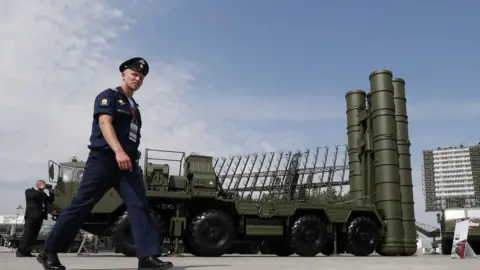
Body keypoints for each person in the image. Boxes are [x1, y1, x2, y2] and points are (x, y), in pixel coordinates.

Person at [36, 57, 173, 270]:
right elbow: (104, 122)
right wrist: (118, 151)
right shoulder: (108, 96)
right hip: (104, 160)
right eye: (134, 74)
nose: (138, 78)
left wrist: (127, 156)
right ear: (123, 74)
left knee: (139, 207)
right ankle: (49, 251)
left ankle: (147, 257)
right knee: (82, 205)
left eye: (141, 76)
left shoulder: (134, 108)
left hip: (128, 165)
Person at [17, 180, 54, 257]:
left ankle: (28, 251)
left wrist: (50, 191)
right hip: (31, 216)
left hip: (39, 216)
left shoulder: (43, 194)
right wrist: (39, 189)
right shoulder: (29, 191)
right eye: (42, 185)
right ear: (38, 184)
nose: (43, 187)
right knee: (27, 234)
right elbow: (34, 197)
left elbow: (50, 200)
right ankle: (20, 251)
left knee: (34, 235)